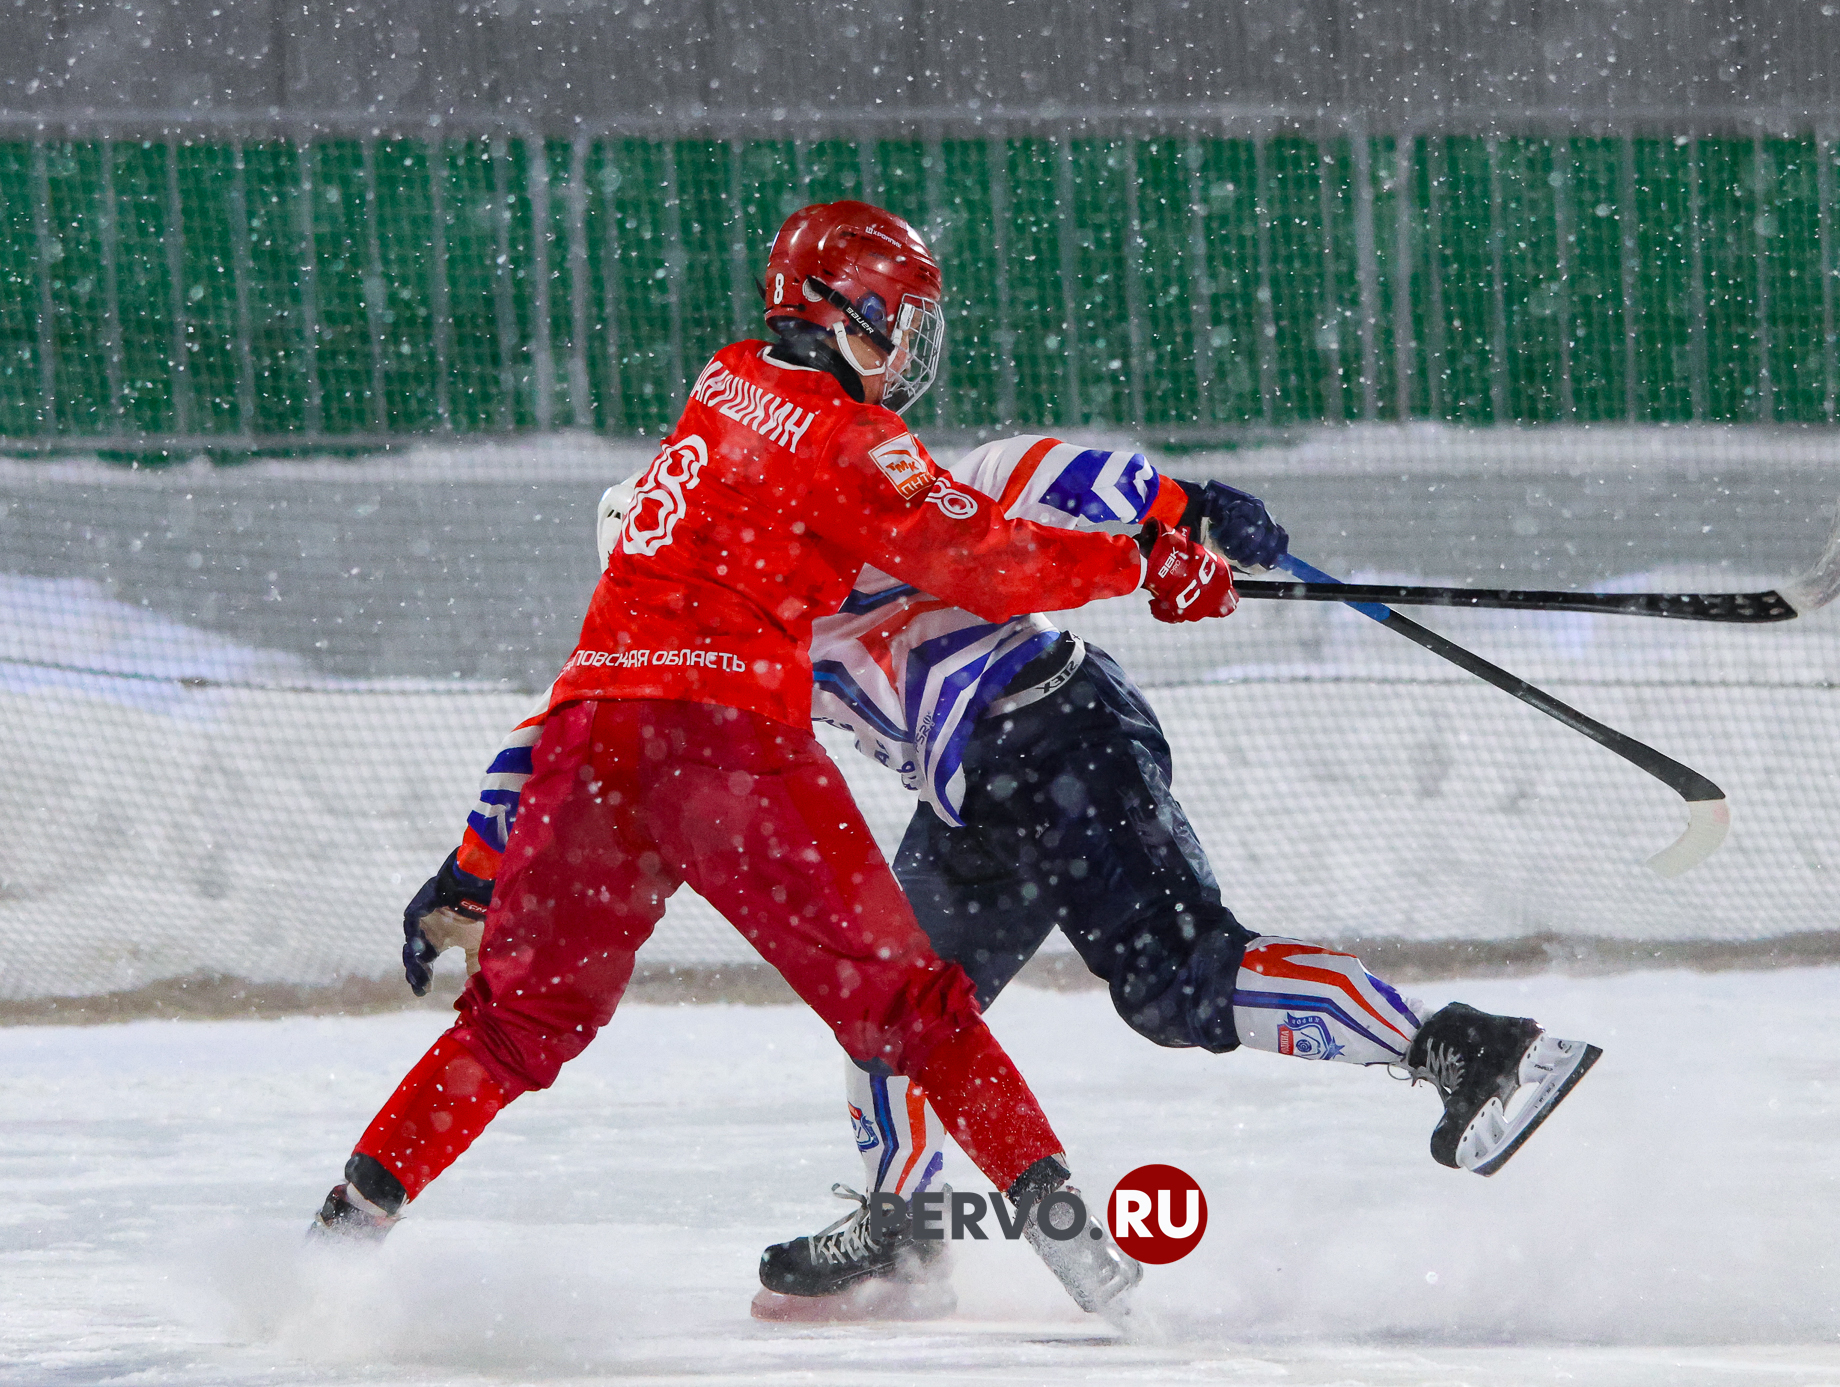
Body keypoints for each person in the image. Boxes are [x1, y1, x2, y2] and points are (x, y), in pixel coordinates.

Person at [409, 427, 1603, 1321]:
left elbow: (1028, 472)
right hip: (973, 794)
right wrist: (475, 863)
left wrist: (1175, 515)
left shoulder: (835, 513)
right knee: (889, 1002)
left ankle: (1472, 1049)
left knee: (1185, 986)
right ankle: (905, 1225)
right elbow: (577, 734)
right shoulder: (719, 637)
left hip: (1059, 731)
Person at [308, 201, 1241, 1326]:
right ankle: (1079, 1252)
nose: (903, 352)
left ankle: (332, 1243)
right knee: (915, 1010)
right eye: (895, 322)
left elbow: (565, 699)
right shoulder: (850, 438)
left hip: (592, 739)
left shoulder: (720, 381)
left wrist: (473, 862)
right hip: (727, 749)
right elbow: (981, 557)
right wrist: (1142, 557)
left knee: (511, 1024)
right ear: (848, 311)